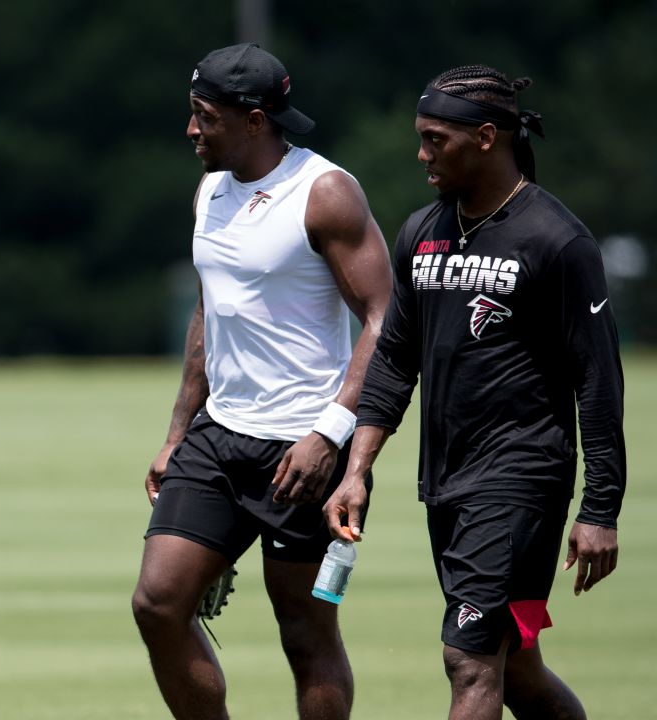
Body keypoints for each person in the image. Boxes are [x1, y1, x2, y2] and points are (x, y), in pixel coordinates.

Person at [323, 65, 626, 720]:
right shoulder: (420, 234)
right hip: (448, 484)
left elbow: (600, 382)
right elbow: (395, 362)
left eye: (436, 140)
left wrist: (600, 509)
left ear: (487, 137)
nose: (422, 154)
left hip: (522, 484)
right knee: (516, 666)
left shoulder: (557, 240)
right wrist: (356, 470)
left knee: (468, 659)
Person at [131, 44, 392, 720]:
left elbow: (383, 319)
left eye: (204, 117)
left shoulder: (325, 192)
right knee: (158, 603)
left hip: (304, 451)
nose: (191, 130)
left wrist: (330, 436)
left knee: (306, 634)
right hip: (220, 438)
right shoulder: (210, 188)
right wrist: (176, 434)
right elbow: (206, 311)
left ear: (254, 121)